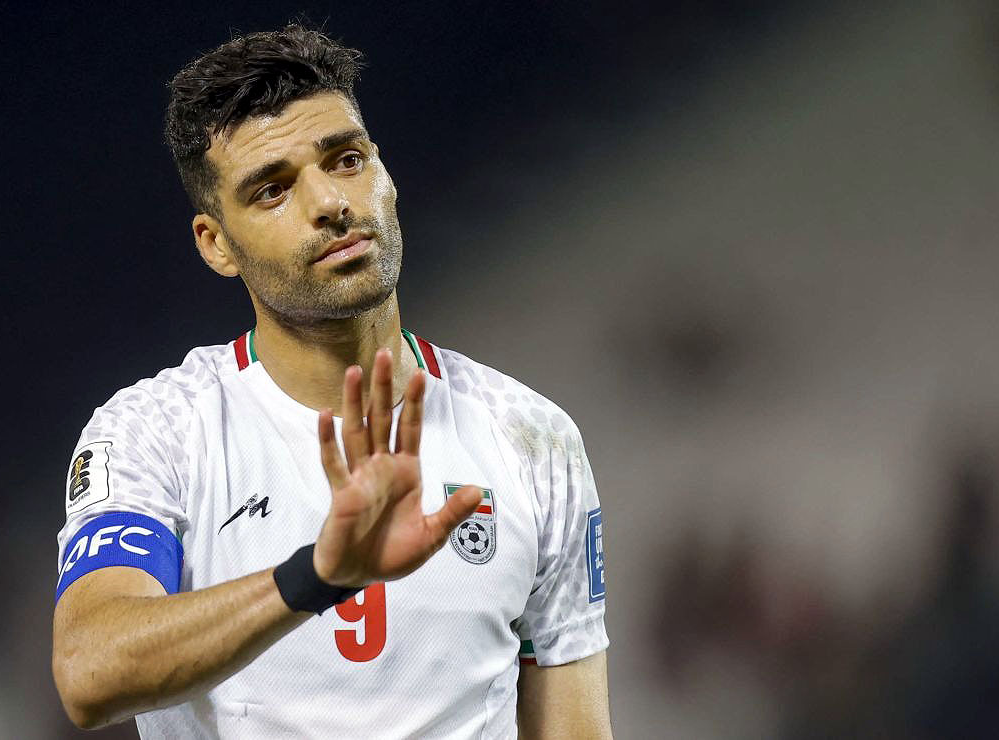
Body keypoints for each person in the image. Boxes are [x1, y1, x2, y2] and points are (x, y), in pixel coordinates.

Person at [50, 24, 612, 738]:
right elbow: (89, 671)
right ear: (216, 244)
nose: (329, 202)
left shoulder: (532, 438)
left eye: (347, 160)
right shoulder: (157, 430)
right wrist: (314, 578)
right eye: (272, 190)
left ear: (386, 174)